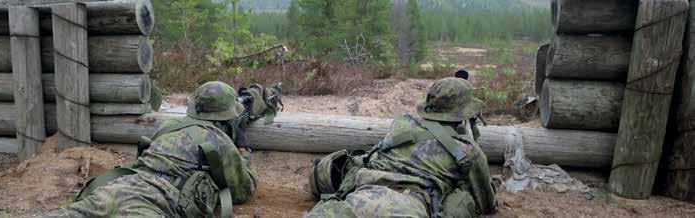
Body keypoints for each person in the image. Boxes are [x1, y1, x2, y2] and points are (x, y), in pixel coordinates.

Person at [45, 81, 281, 217]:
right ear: (227, 118)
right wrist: (242, 146)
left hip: (117, 188)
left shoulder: (169, 126)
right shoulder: (220, 141)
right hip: (150, 203)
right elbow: (244, 190)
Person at [305, 77, 497, 218]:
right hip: (409, 207)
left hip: (362, 196)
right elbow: (487, 204)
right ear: (463, 113)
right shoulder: (468, 150)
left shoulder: (402, 123)